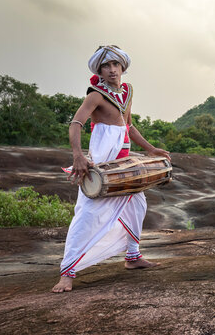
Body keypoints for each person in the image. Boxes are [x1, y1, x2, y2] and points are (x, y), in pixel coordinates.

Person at [52, 45, 170, 292]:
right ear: (100, 70)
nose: (112, 70)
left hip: (123, 160)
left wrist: (151, 149)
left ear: (123, 67)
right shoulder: (95, 94)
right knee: (88, 214)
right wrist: (78, 155)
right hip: (103, 161)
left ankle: (133, 257)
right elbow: (76, 123)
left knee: (138, 205)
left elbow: (128, 125)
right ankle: (67, 272)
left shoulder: (127, 91)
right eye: (106, 66)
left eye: (116, 65)